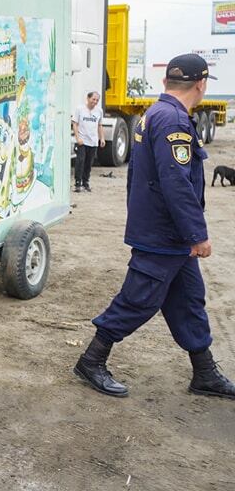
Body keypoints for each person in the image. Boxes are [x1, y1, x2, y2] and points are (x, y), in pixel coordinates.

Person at [73, 53, 234, 400]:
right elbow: (176, 183)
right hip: (164, 234)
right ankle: (91, 359)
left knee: (189, 301)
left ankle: (204, 373)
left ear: (166, 83)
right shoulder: (173, 120)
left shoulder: (156, 114)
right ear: (200, 84)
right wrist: (198, 234)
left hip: (167, 235)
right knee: (138, 299)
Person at [72, 91, 105, 192]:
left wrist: (102, 138)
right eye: (93, 99)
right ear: (88, 98)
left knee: (89, 163)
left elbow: (100, 125)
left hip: (93, 141)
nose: (94, 102)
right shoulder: (80, 109)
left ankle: (86, 182)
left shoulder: (99, 111)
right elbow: (75, 124)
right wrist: (77, 138)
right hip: (82, 140)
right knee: (80, 161)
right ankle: (78, 183)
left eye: (97, 100)